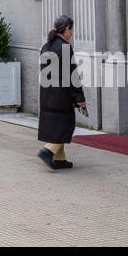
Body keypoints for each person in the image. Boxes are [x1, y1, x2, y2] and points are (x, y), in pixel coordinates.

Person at [37, 15, 86, 171]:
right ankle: (48, 150)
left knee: (56, 125)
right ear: (66, 29)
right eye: (71, 30)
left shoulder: (46, 45)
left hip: (47, 93)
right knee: (66, 125)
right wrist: (80, 98)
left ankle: (60, 160)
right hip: (61, 94)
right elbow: (72, 76)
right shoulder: (64, 47)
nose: (71, 33)